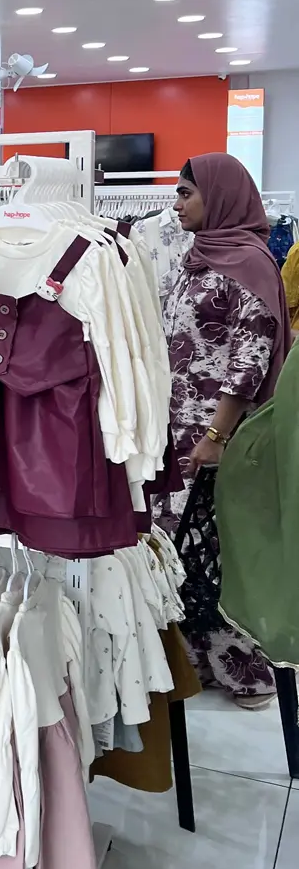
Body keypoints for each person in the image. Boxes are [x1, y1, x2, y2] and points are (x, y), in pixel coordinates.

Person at [153, 152, 291, 705]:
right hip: (177, 427)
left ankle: (249, 672)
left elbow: (249, 361)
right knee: (181, 549)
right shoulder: (197, 257)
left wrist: (217, 437)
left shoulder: (249, 263)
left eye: (186, 192)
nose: (176, 203)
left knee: (217, 550)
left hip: (217, 434)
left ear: (220, 196)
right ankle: (198, 661)